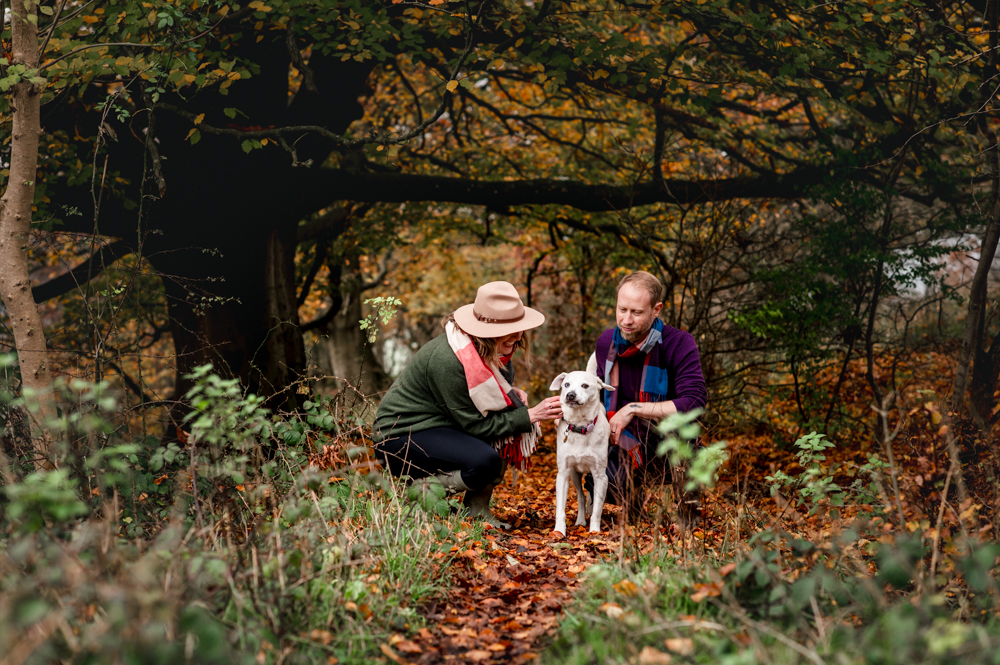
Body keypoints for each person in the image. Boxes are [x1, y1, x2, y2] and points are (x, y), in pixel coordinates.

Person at [373, 281, 563, 528]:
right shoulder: (448, 360)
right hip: (399, 437)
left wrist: (510, 394)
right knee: (484, 462)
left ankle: (477, 509)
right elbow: (476, 425)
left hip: (440, 425)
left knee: (505, 435)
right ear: (486, 330)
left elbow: (482, 399)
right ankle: (422, 494)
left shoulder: (497, 351)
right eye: (511, 329)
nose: (518, 336)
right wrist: (531, 415)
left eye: (520, 328)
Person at [588, 271, 707, 523]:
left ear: (656, 310)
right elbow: (597, 396)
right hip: (622, 440)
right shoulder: (606, 342)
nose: (626, 320)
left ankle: (689, 519)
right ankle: (634, 511)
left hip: (664, 440)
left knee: (689, 451)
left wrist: (633, 408)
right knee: (600, 476)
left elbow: (694, 401)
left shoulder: (678, 343)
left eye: (637, 312)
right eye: (622, 310)